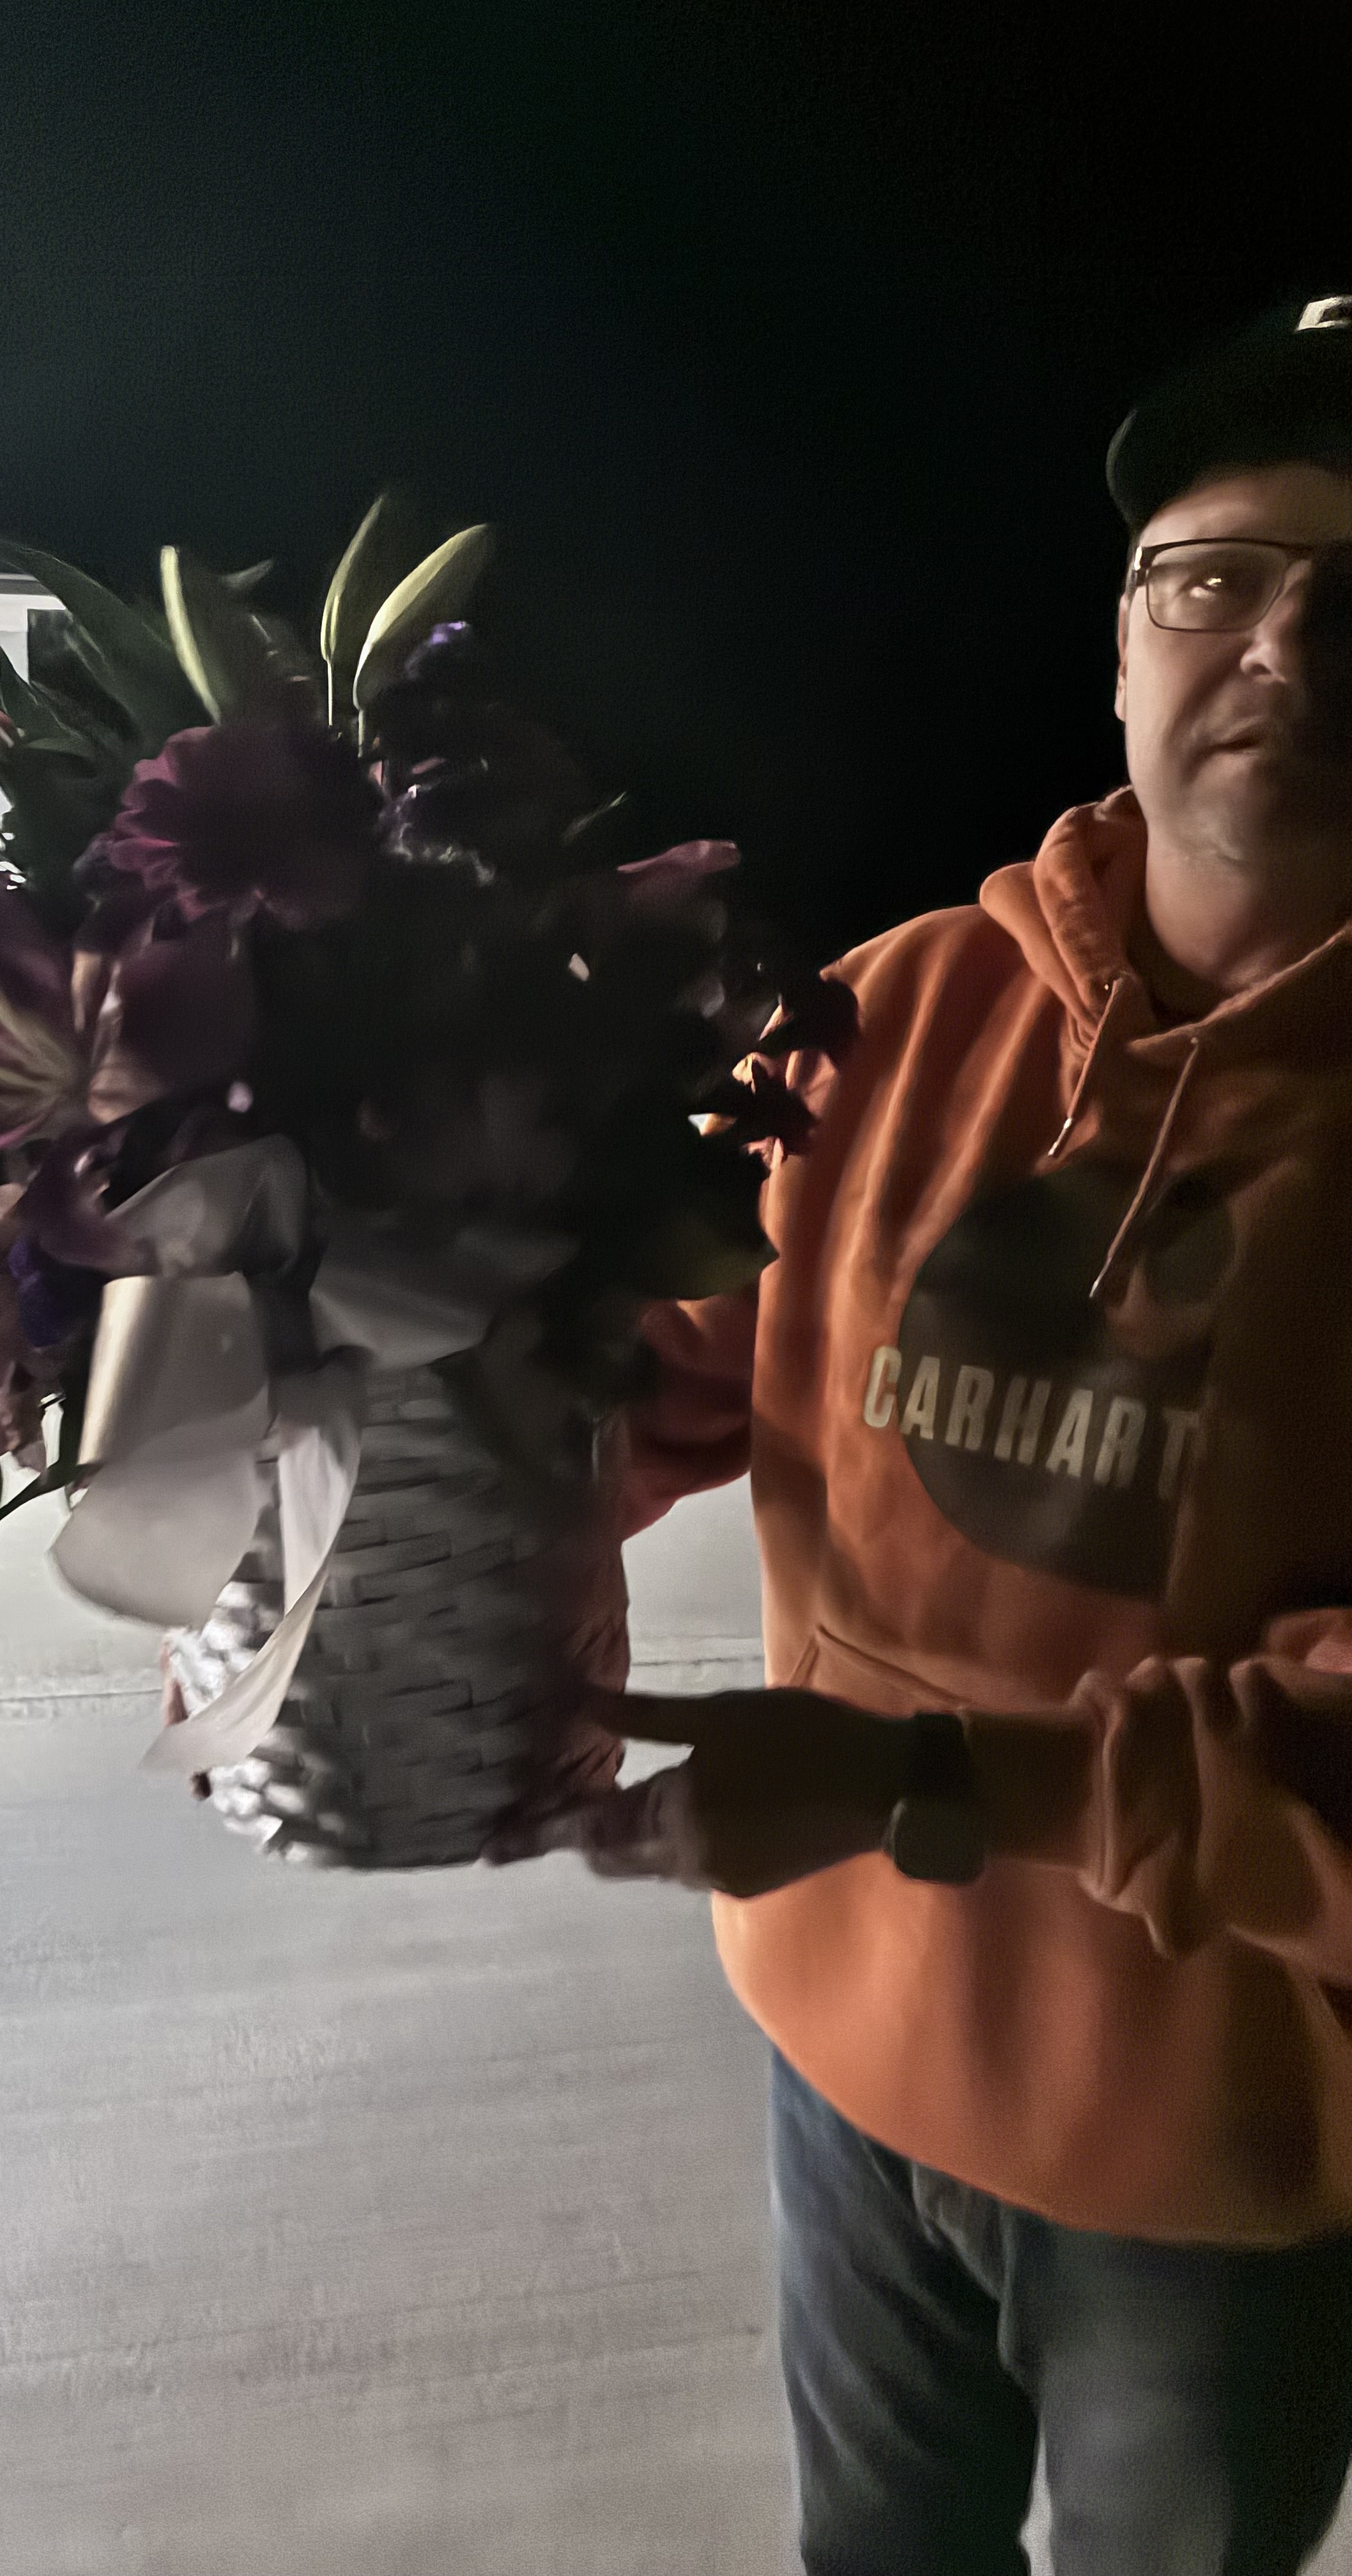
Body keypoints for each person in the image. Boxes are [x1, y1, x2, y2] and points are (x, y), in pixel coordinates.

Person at [495, 297, 1352, 2575]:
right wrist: (423, 1527)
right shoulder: (889, 1012)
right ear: (1124, 648)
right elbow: (665, 1370)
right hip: (839, 2046)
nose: (1285, 643)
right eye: (1216, 577)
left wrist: (919, 1787)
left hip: (1208, 2171)